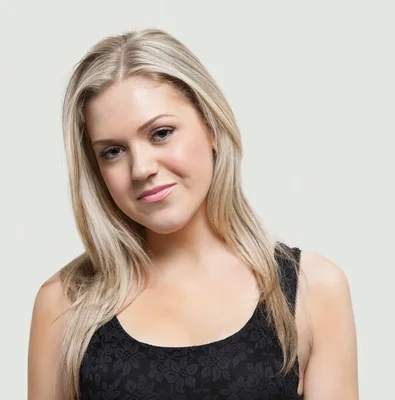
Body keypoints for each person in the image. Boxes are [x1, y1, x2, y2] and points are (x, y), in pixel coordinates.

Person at [27, 28, 358, 399]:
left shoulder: (311, 290)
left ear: (211, 127)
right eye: (113, 151)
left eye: (161, 133)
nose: (141, 168)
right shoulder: (65, 303)